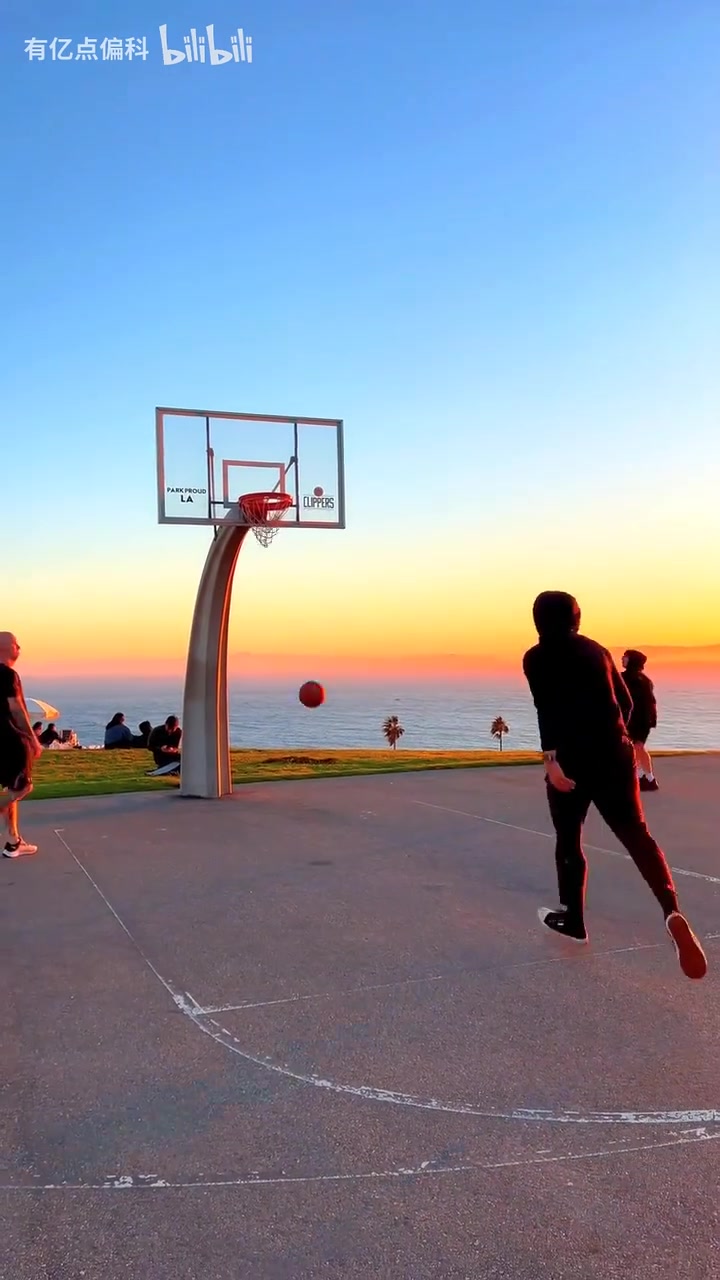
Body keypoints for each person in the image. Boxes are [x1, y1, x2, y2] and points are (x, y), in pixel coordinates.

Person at [522, 591, 707, 980]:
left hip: (571, 759)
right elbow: (625, 702)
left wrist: (551, 761)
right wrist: (616, 739)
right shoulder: (598, 651)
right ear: (577, 616)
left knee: (570, 839)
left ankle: (574, 922)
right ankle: (671, 910)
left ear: (539, 619)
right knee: (637, 835)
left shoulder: (537, 657)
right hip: (616, 753)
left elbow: (547, 709)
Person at [0, 632, 41, 858]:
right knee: (24, 787)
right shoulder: (7, 675)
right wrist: (33, 739)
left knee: (11, 788)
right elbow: (16, 710)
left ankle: (13, 842)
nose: (20, 647)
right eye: (16, 644)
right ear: (6, 648)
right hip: (9, 741)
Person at [621, 649, 658, 792]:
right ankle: (645, 777)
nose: (622, 659)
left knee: (636, 748)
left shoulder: (629, 679)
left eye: (626, 657)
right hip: (643, 720)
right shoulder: (644, 680)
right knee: (637, 748)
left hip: (637, 720)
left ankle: (644, 779)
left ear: (632, 661)